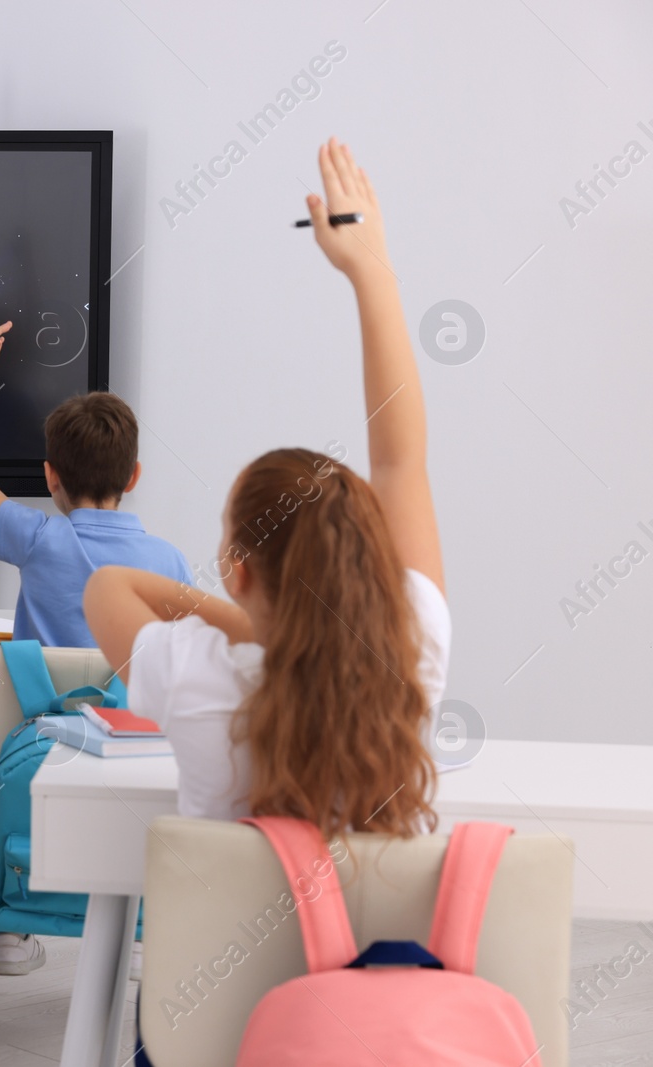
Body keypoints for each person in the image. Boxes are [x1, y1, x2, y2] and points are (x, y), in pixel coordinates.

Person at [82, 139, 448, 841]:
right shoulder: (414, 649)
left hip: (226, 956)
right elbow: (402, 460)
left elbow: (108, 589)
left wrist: (244, 624)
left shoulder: (196, 678)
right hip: (359, 954)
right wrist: (372, 272)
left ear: (240, 569)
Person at [0, 323, 189, 976]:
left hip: (43, 754)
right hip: (134, 759)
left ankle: (16, 924)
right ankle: (135, 925)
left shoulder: (37, 538)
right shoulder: (169, 563)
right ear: (133, 475)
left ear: (50, 475)